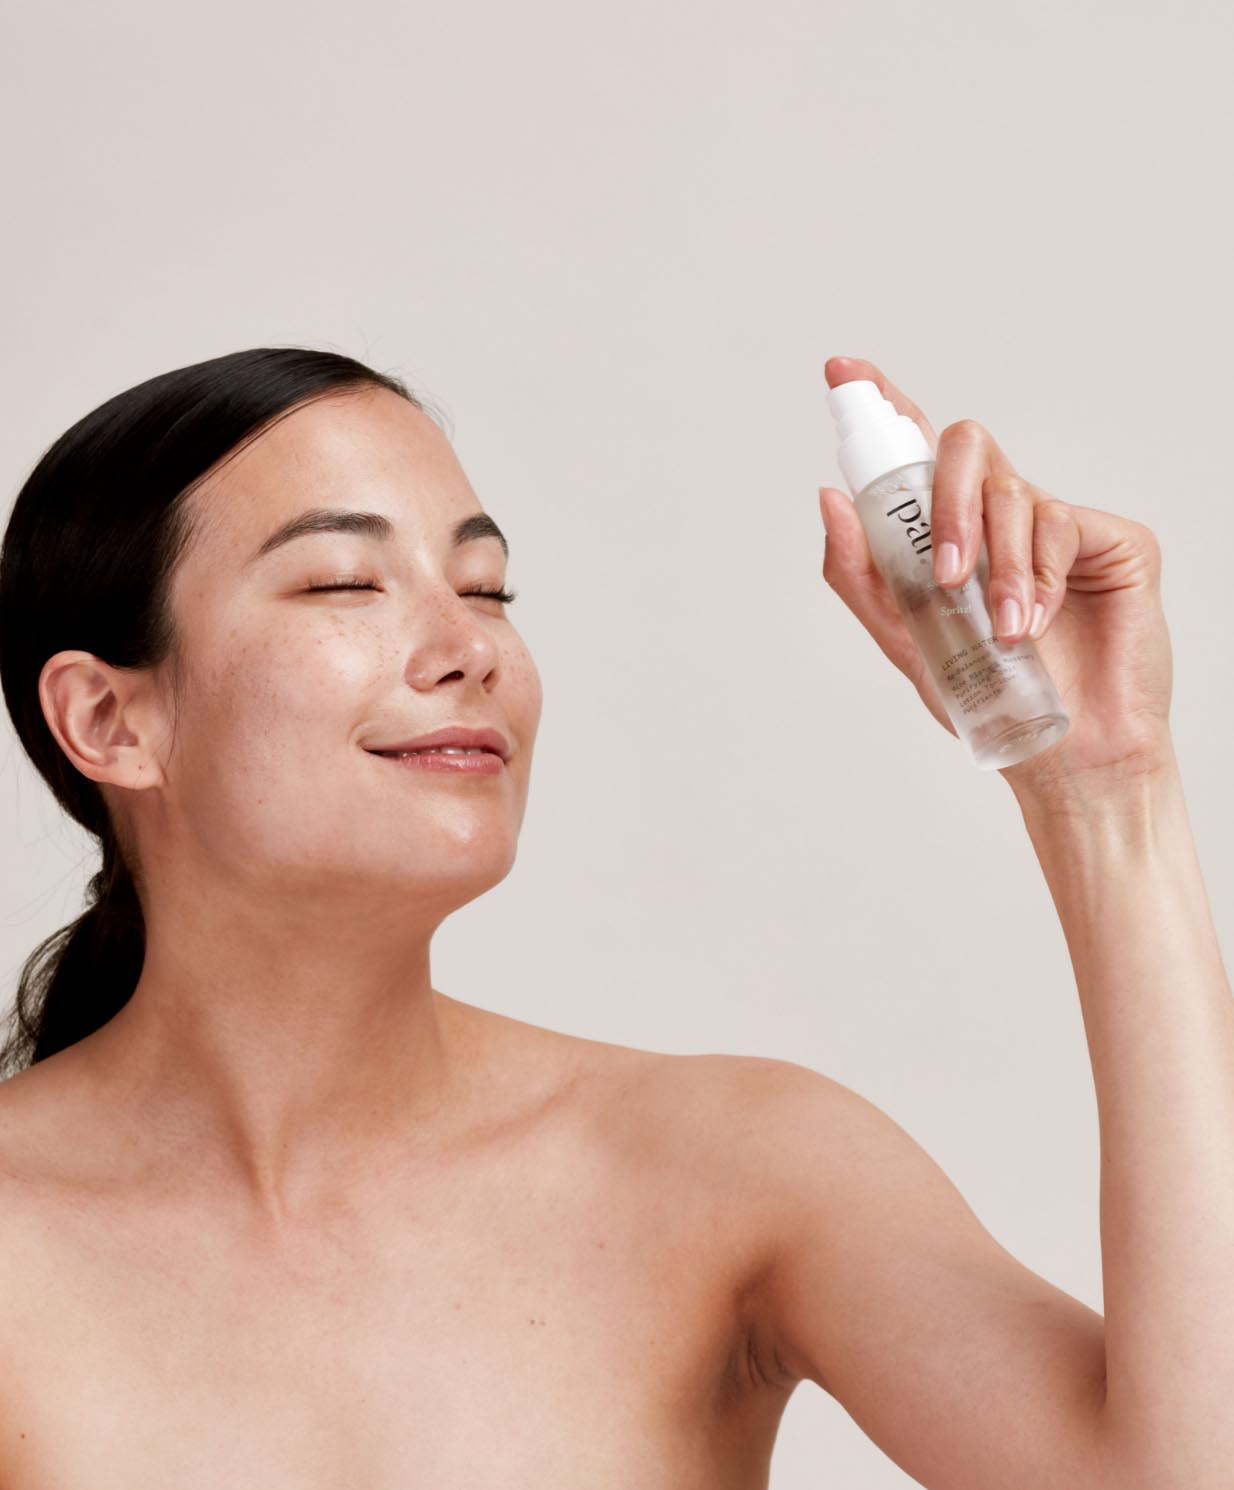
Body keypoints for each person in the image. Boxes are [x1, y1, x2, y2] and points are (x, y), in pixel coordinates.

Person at [0, 346, 1228, 1489]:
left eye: (488, 586)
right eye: (343, 581)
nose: (468, 645)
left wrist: (1102, 790)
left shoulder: (738, 1164)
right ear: (111, 721)